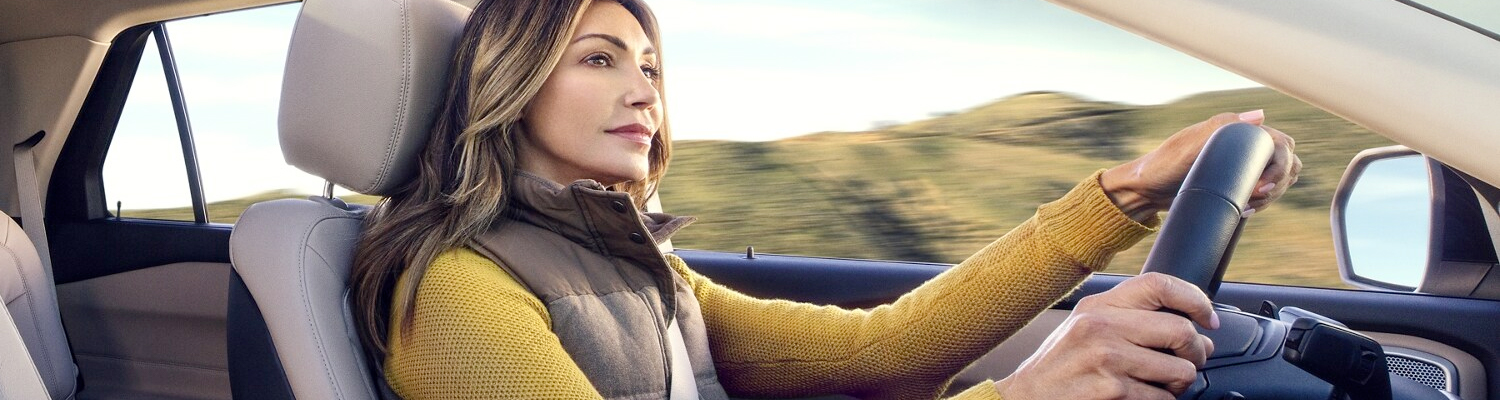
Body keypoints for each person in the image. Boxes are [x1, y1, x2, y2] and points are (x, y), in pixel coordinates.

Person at [348, 0, 1302, 398]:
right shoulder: (454, 290)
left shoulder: (633, 264)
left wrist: (1127, 191)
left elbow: (878, 351)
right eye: (599, 60)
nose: (645, 89)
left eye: (649, 64)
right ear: (508, 84)